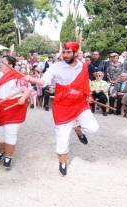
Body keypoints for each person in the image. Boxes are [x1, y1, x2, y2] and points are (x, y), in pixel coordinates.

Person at [25, 42, 99, 176]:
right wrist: (31, 78)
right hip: (62, 105)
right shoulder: (56, 67)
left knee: (93, 128)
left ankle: (78, 129)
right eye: (63, 52)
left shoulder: (83, 66)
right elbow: (44, 81)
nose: (65, 55)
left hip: (79, 103)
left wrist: (88, 95)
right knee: (62, 137)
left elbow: (85, 82)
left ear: (76, 53)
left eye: (68, 52)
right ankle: (63, 162)